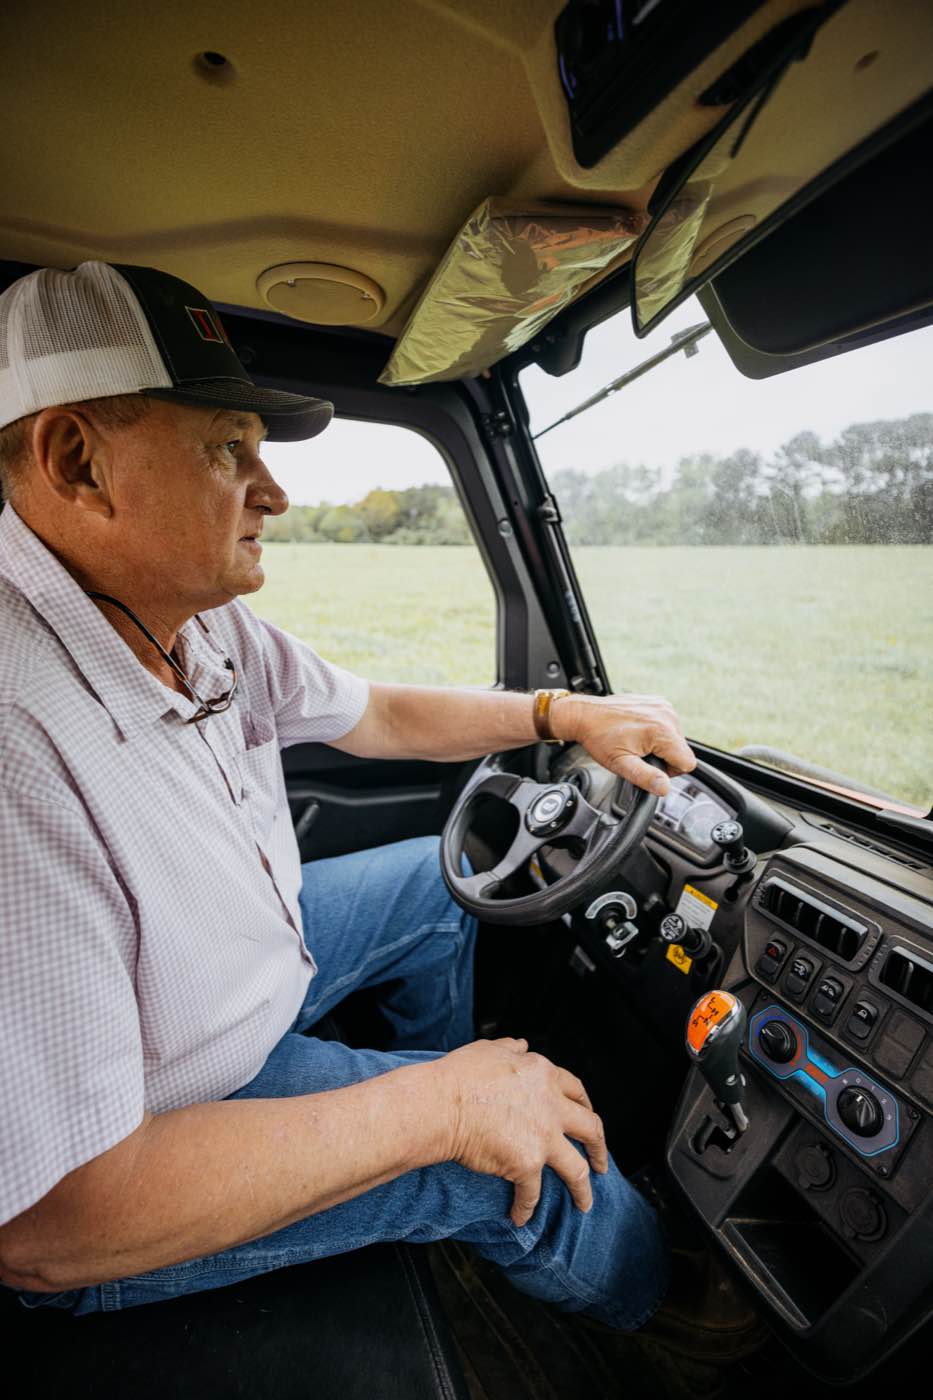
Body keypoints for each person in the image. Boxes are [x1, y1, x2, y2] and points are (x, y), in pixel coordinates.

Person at [0, 260, 697, 1330]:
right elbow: (52, 1221)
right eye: (227, 447)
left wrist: (563, 715)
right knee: (518, 1158)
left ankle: (421, 1108)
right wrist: (445, 1109)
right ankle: (681, 1317)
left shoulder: (189, 620)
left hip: (218, 979)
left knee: (439, 878)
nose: (272, 491)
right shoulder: (17, 738)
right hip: (156, 1128)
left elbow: (374, 712)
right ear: (77, 460)